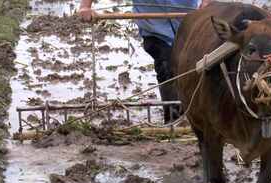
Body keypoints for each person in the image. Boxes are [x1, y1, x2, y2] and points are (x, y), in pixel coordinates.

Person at [78, 0, 211, 123]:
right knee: (166, 64)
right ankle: (174, 120)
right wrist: (85, 7)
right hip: (154, 29)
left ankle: (197, 113)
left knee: (197, 67)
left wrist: (207, 2)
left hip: (189, 24)